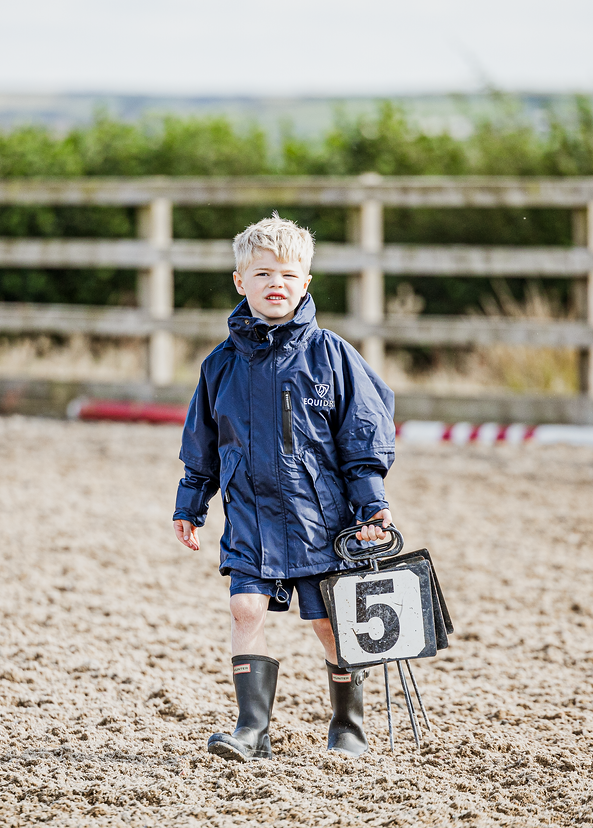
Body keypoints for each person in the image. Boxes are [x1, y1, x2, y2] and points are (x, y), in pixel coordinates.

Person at [173, 213, 395, 762]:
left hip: (321, 518)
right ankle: (253, 728)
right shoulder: (219, 366)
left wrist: (371, 504)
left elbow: (363, 435)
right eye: (264, 273)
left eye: (289, 275)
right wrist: (191, 503)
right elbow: (201, 443)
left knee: (326, 620)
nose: (277, 284)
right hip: (249, 513)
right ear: (239, 281)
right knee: (246, 609)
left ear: (307, 282)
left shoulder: (334, 356)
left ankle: (348, 724)